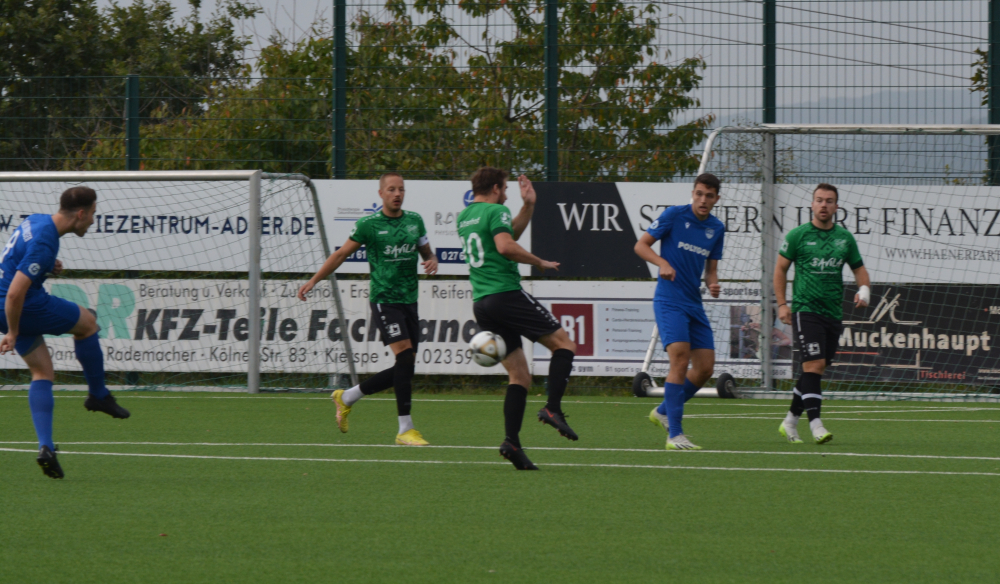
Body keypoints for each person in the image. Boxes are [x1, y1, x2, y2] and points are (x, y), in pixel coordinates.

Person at [0, 186, 131, 479]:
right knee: (88, 324)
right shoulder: (45, 242)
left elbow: (19, 259)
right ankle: (98, 395)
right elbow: (15, 293)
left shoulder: (36, 220)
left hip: (2, 305)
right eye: (93, 213)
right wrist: (12, 332)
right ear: (81, 214)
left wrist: (46, 266)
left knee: (42, 372)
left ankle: (46, 448)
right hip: (20, 305)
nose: (94, 220)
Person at [298, 173, 438, 446]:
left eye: (401, 189)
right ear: (381, 193)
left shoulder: (415, 221)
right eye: (391, 189)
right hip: (384, 299)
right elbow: (340, 254)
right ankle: (405, 430)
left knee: (405, 366)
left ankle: (347, 397)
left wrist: (432, 259)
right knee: (405, 358)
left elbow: (427, 252)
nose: (397, 194)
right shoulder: (369, 225)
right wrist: (314, 280)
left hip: (410, 300)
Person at [457, 167, 576, 470]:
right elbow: (505, 246)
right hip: (506, 294)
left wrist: (529, 206)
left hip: (482, 303)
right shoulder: (496, 210)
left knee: (519, 376)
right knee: (564, 345)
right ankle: (552, 408)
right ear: (496, 188)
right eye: (506, 189)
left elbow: (507, 235)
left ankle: (511, 442)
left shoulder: (465, 216)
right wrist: (539, 261)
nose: (508, 195)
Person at [634, 173, 725, 450]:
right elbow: (640, 245)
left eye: (709, 196)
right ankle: (675, 435)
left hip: (694, 303)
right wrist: (661, 263)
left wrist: (713, 284)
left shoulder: (716, 228)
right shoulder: (674, 215)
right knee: (680, 360)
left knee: (705, 368)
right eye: (699, 194)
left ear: (716, 199)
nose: (703, 200)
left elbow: (711, 270)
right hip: (669, 300)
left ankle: (662, 411)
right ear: (693, 193)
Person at [774, 183, 869, 444]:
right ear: (812, 204)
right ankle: (816, 425)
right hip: (806, 309)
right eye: (819, 200)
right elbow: (780, 269)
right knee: (813, 365)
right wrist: (782, 304)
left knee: (815, 368)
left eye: (829, 201)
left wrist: (864, 291)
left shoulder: (844, 238)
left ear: (836, 206)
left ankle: (790, 421)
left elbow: (859, 269)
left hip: (833, 312)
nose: (823, 205)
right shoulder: (798, 235)